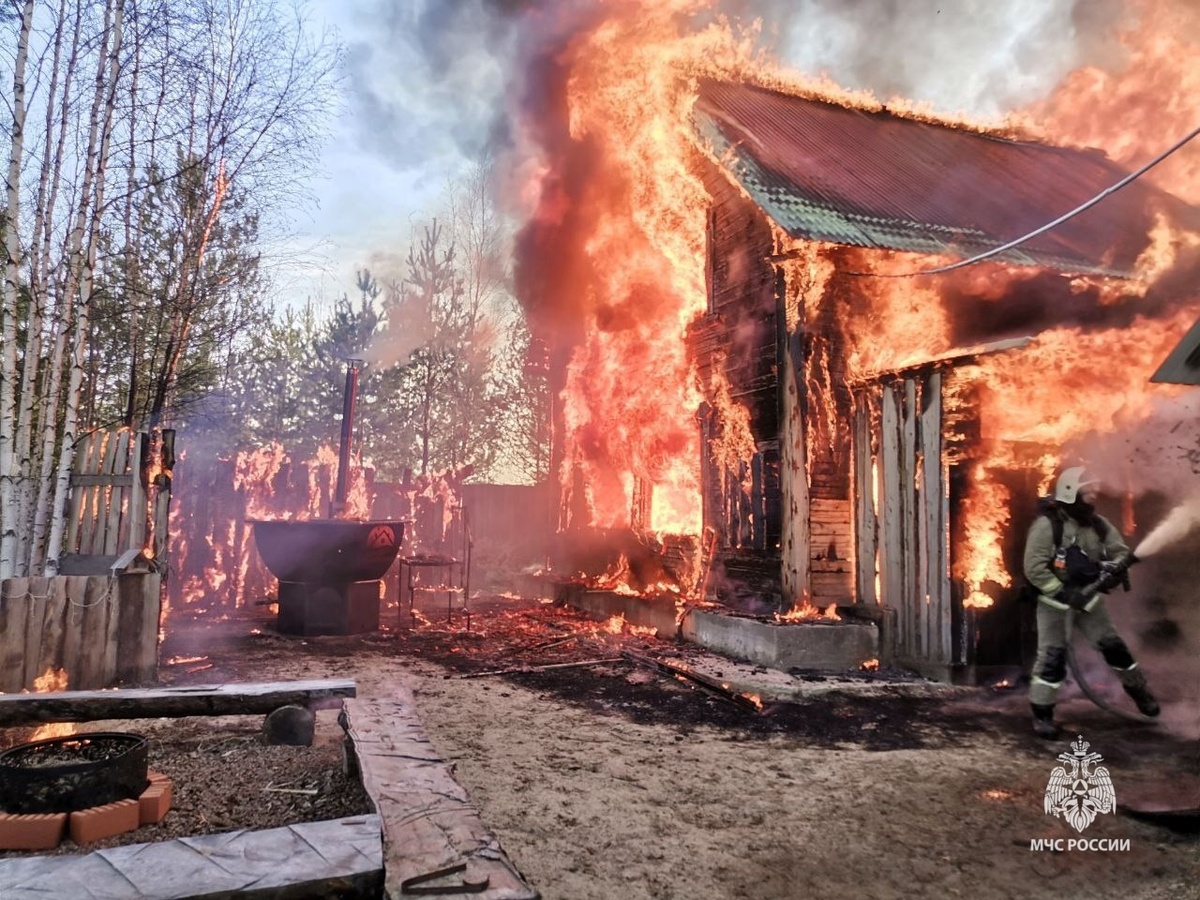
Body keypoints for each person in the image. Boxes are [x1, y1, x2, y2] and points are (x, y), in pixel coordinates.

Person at [1023, 466, 1160, 739]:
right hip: (1055, 605)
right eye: (1088, 489)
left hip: (1089, 600)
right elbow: (1034, 568)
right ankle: (1042, 715)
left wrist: (1116, 571)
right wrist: (1061, 592)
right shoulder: (1048, 526)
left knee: (1115, 648)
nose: (1094, 494)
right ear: (1071, 491)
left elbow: (1119, 552)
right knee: (1052, 659)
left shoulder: (1098, 525)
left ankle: (1140, 693)